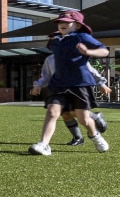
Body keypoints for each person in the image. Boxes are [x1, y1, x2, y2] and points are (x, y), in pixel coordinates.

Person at [28, 10, 110, 156]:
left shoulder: (81, 36)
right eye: (60, 22)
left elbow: (104, 51)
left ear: (77, 25)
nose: (62, 24)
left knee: (83, 119)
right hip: (58, 84)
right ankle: (44, 145)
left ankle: (95, 136)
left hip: (79, 83)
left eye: (67, 22)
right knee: (52, 111)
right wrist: (39, 84)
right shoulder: (54, 43)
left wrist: (88, 52)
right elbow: (49, 69)